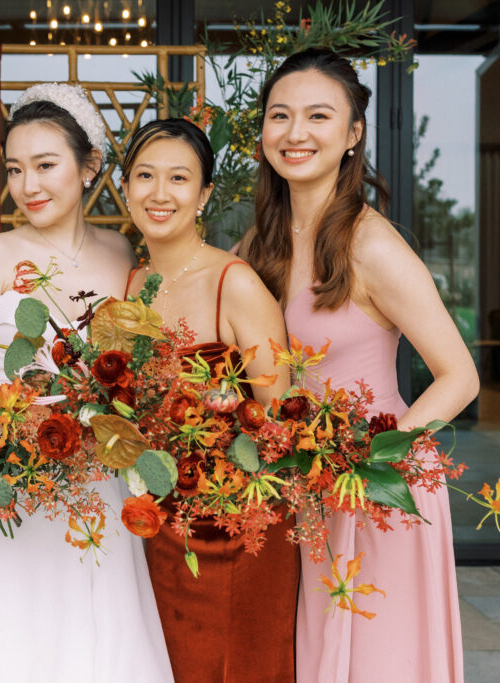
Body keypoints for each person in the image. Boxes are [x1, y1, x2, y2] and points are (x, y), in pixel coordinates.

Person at [0, 84, 174, 683]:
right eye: (15, 170)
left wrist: (101, 425)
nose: (28, 186)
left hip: (94, 482)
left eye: (45, 165)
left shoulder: (122, 253)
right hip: (8, 475)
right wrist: (26, 432)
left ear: (88, 165)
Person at [239, 47, 477, 682]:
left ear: (352, 135)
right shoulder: (259, 244)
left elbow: (459, 376)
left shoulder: (372, 244)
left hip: (378, 486)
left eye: (318, 116)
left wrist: (367, 464)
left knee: (378, 661)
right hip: (308, 487)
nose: (295, 132)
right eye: (280, 115)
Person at [121, 119, 296, 682]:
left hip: (235, 530)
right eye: (145, 176)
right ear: (126, 188)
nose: (159, 193)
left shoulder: (234, 282)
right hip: (156, 526)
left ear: (204, 195)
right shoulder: (130, 285)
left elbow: (280, 419)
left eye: (178, 178)